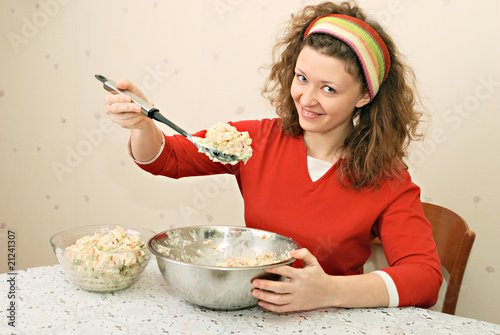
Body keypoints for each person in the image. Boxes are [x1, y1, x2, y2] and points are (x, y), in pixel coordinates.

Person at [105, 1, 442, 312]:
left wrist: (329, 291)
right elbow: (166, 158)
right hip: (253, 311)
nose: (306, 99)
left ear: (365, 96)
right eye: (302, 78)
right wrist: (141, 124)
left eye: (329, 89)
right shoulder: (253, 141)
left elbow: (425, 279)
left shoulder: (387, 179)